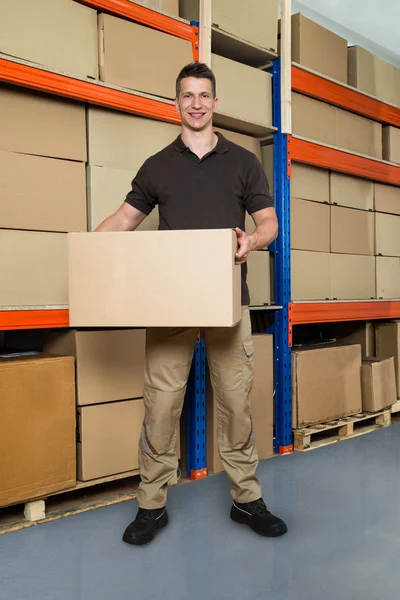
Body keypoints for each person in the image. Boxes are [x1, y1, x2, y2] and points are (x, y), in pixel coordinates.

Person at [95, 62, 288, 545]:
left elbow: (269, 222)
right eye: (187, 95)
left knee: (236, 405)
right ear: (176, 103)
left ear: (215, 103)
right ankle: (151, 505)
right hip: (170, 303)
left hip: (228, 302)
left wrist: (253, 243)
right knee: (161, 406)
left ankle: (246, 499)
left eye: (204, 95)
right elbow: (123, 220)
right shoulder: (157, 165)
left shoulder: (244, 161)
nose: (196, 103)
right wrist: (86, 252)